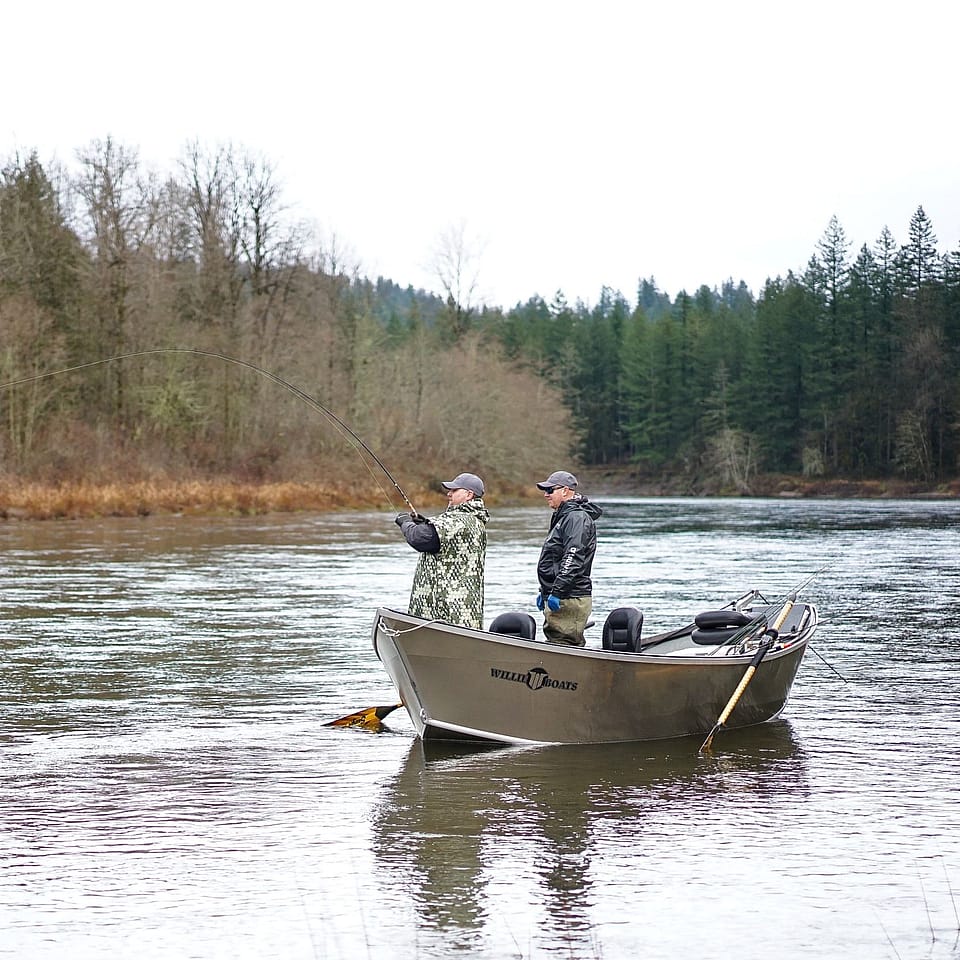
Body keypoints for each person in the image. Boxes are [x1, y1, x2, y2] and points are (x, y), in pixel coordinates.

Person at [394, 472, 489, 629]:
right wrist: (424, 523)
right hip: (465, 612)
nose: (449, 493)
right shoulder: (475, 520)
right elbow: (442, 541)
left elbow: (419, 539)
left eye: (454, 490)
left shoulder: (457, 520)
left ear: (469, 494)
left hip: (445, 612)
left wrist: (405, 523)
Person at [534, 470, 602, 646]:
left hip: (570, 597)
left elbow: (573, 557)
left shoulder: (576, 518)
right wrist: (545, 591)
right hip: (560, 595)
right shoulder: (564, 516)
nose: (546, 495)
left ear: (565, 491)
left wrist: (557, 592)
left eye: (550, 490)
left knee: (563, 646)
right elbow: (556, 558)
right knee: (556, 642)